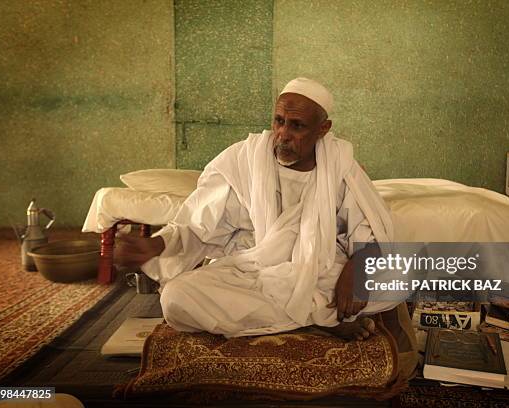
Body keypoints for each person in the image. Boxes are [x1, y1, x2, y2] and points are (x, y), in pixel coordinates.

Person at [116, 78, 414, 347]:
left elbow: (371, 231)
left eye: (297, 126)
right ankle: (319, 322)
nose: (283, 134)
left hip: (321, 270)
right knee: (175, 299)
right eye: (279, 121)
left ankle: (300, 317)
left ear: (323, 129)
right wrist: (154, 245)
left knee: (398, 278)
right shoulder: (243, 160)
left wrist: (356, 268)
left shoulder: (341, 165)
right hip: (254, 269)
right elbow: (197, 224)